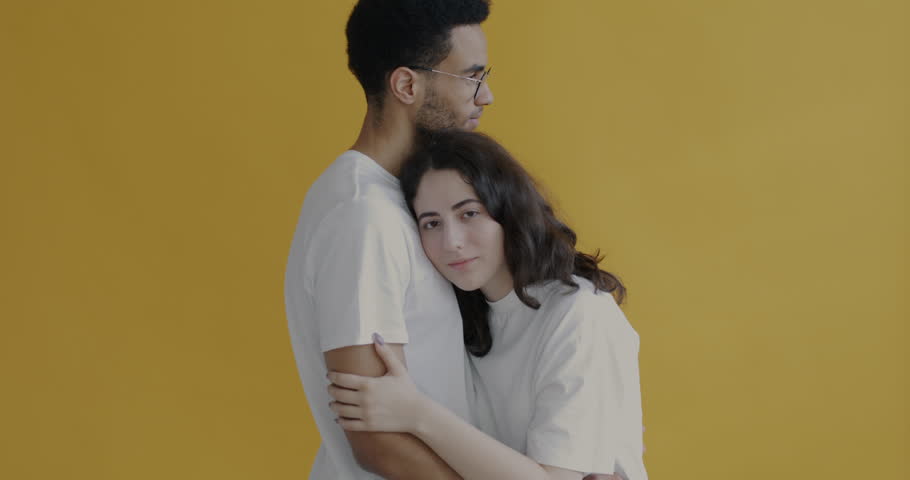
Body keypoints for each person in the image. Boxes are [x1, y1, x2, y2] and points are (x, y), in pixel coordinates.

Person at [326, 130, 648, 480]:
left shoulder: (579, 313)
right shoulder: (468, 319)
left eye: (468, 214)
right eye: (431, 223)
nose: (451, 242)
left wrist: (416, 412)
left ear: (508, 210)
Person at [284, 1, 494, 478]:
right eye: (471, 78)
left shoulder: (403, 199)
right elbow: (377, 440)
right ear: (406, 85)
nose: (486, 98)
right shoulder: (364, 216)